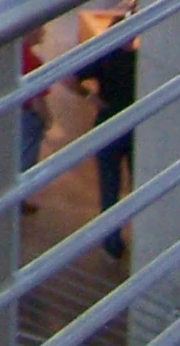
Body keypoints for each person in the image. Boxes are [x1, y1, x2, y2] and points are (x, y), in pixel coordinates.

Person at [78, 24, 138, 258]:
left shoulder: (104, 58)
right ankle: (143, 237)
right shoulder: (141, 61)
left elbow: (70, 78)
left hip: (107, 125)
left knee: (109, 186)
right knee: (138, 184)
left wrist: (92, 97)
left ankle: (111, 242)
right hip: (134, 126)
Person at [18, 25, 50, 209]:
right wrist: (47, 119)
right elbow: (38, 99)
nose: (44, 33)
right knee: (26, 159)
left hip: (15, 113)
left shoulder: (16, 56)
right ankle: (19, 199)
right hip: (28, 116)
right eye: (40, 29)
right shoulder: (32, 61)